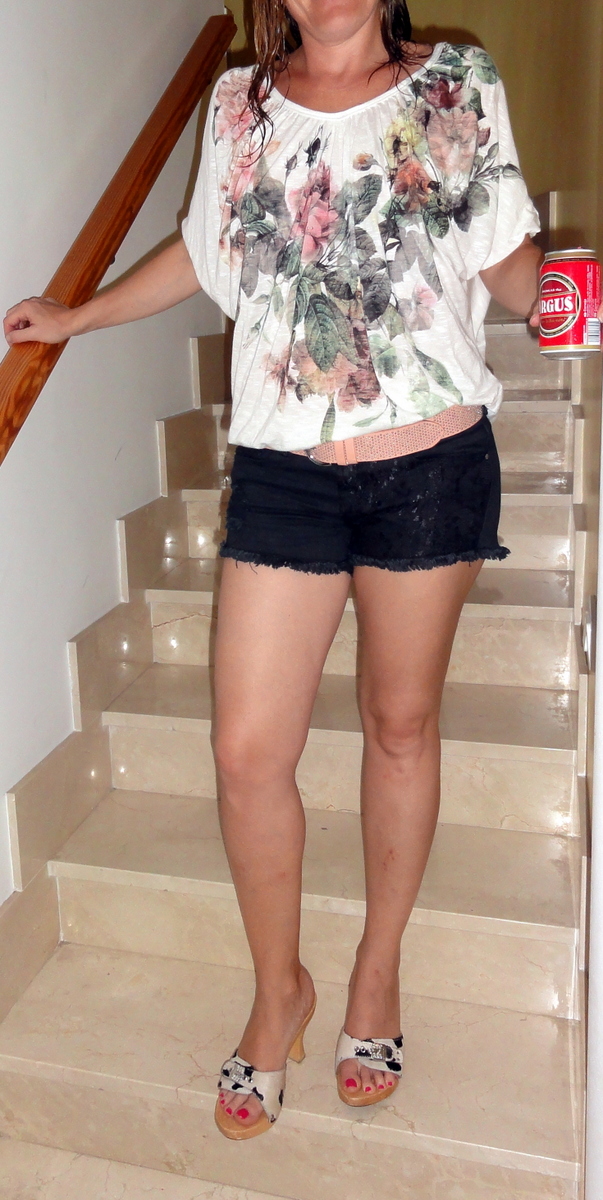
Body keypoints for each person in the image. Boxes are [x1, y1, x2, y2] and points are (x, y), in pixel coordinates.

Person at [5, 0, 603, 1144]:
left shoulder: (455, 82)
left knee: (399, 725)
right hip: (286, 467)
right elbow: (205, 253)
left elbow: (508, 260)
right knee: (247, 753)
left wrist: (572, 297)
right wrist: (76, 317)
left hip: (432, 464)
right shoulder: (239, 101)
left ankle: (377, 972)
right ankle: (281, 988)